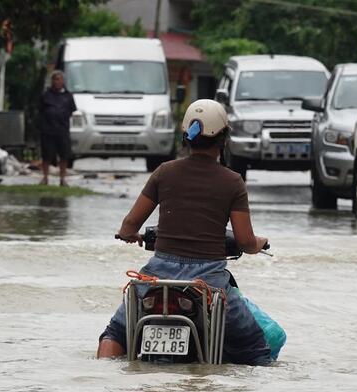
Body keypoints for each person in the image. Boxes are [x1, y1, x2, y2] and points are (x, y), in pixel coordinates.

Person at [97, 99, 286, 365]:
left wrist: (131, 236)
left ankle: (97, 379)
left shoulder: (164, 172)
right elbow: (244, 241)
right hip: (209, 284)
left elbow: (129, 226)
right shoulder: (233, 182)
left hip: (157, 279)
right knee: (257, 351)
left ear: (186, 136)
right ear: (224, 140)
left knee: (114, 334)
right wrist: (260, 243)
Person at [38, 70, 76, 186]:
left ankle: (62, 179)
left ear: (63, 81)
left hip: (62, 130)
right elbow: (40, 110)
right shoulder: (46, 95)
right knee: (47, 155)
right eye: (54, 79)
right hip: (48, 130)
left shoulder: (68, 96)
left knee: (64, 155)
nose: (56, 82)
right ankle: (45, 177)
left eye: (59, 79)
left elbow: (72, 110)